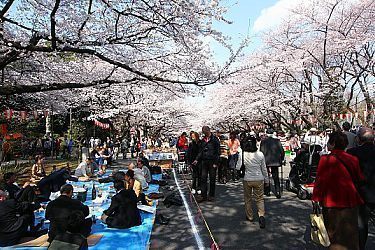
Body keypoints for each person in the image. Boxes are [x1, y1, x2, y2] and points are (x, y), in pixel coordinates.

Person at [312, 131, 364, 250]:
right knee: (350, 232)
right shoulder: (353, 159)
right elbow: (359, 177)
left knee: (333, 233)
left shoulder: (325, 159)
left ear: (333, 143)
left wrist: (315, 198)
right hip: (350, 200)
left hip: (331, 201)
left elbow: (320, 181)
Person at [347, 127, 375, 250]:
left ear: (358, 139)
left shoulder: (352, 153)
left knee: (361, 224)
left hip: (361, 193)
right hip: (367, 192)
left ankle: (360, 247)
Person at [236, 135, 269, 228]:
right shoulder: (260, 154)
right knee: (260, 199)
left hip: (247, 179)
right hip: (259, 178)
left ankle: (250, 216)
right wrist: (267, 180)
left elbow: (238, 167)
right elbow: (264, 169)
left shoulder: (243, 153)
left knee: (248, 198)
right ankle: (261, 215)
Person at [193, 126, 220, 202]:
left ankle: (211, 195)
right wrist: (196, 159)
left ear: (208, 131)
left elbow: (218, 152)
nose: (204, 134)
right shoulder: (203, 140)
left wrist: (216, 162)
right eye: (203, 132)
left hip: (212, 162)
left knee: (212, 179)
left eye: (205, 132)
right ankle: (203, 195)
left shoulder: (215, 140)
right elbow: (200, 151)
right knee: (203, 178)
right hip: (204, 162)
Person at [260, 128, 285, 198]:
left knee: (266, 175)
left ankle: (267, 191)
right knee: (275, 176)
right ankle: (278, 191)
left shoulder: (263, 141)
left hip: (266, 160)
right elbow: (282, 151)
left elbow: (261, 151)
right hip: (275, 161)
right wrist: (282, 158)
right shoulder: (277, 141)